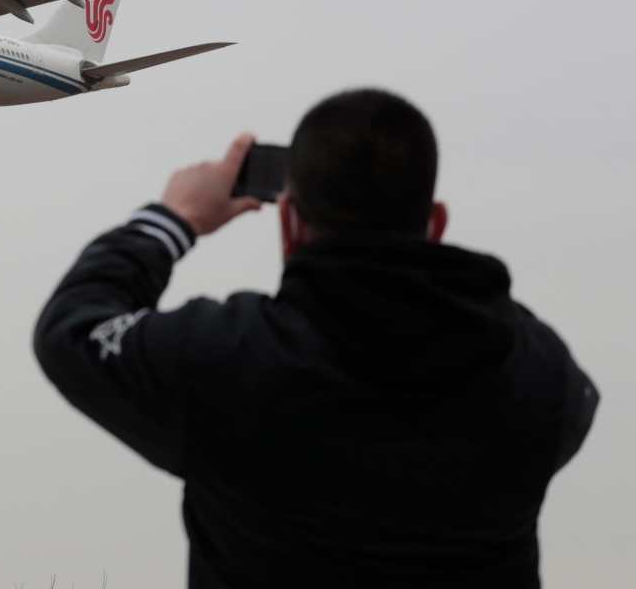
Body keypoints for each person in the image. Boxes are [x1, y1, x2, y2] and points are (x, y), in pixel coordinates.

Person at [33, 88, 598, 589]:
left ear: (289, 224)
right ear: (436, 223)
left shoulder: (227, 360)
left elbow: (71, 329)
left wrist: (173, 217)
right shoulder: (539, 376)